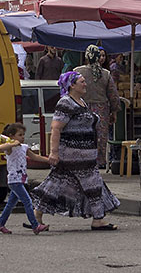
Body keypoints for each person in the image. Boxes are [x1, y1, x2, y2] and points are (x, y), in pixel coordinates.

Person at [30, 71, 120, 230]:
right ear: (72, 85)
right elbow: (56, 128)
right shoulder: (66, 103)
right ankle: (97, 219)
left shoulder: (81, 102)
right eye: (82, 82)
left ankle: (37, 213)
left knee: (62, 182)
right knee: (85, 183)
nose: (85, 84)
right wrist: (54, 152)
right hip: (72, 154)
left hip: (86, 154)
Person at [0, 123, 50, 234]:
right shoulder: (10, 148)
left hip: (22, 179)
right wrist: (11, 144)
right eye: (20, 135)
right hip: (14, 180)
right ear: (12, 136)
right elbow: (0, 148)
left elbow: (34, 157)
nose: (22, 137)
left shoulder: (24, 147)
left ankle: (0, 225)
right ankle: (35, 226)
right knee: (27, 201)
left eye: (23, 135)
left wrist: (48, 160)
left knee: (10, 204)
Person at [74, 45, 120, 169]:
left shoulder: (77, 71)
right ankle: (99, 162)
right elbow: (113, 95)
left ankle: (83, 161)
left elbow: (69, 90)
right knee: (100, 137)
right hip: (101, 109)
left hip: (81, 107)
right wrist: (114, 112)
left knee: (82, 135)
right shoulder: (106, 74)